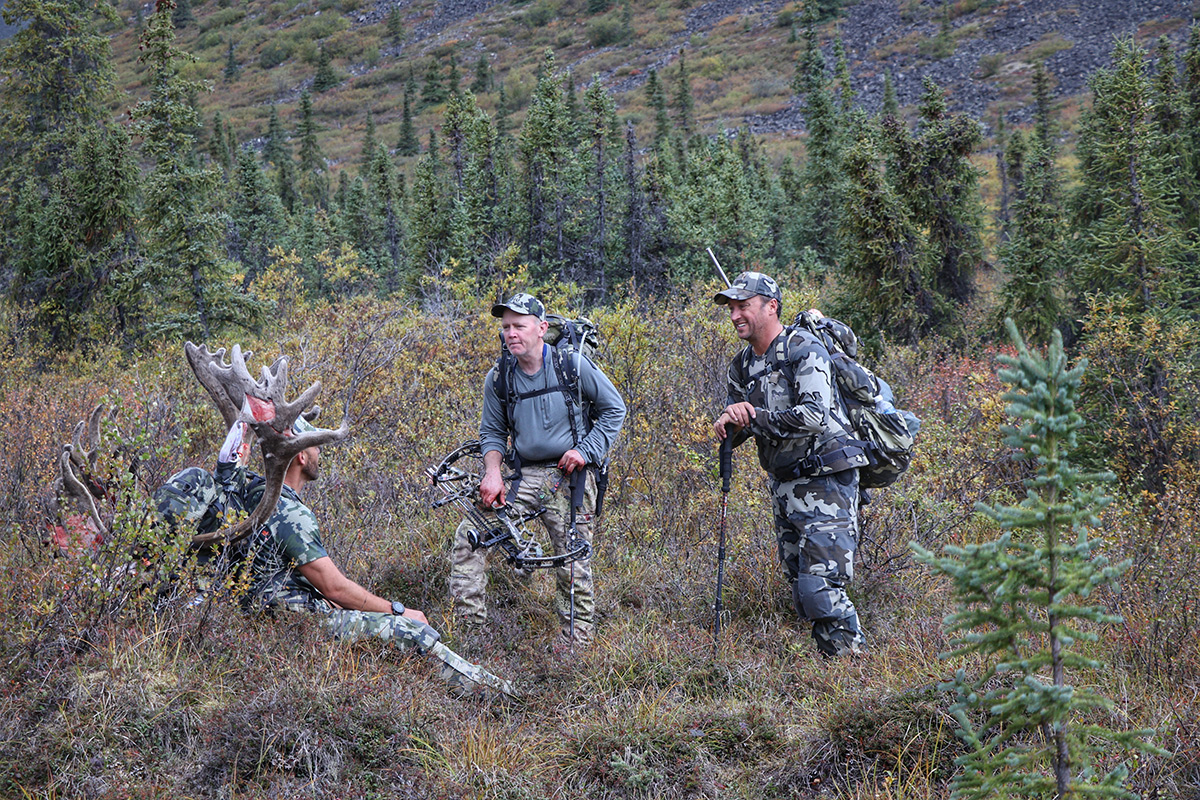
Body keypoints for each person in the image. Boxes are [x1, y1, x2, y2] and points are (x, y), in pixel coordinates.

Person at [157, 417, 515, 698]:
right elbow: (334, 588)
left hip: (253, 622)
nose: (318, 454)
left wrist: (232, 461)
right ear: (300, 455)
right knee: (409, 632)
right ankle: (497, 694)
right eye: (314, 447)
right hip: (293, 624)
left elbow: (227, 482)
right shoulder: (289, 512)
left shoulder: (250, 489)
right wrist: (398, 610)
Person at [449, 293, 626, 646]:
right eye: (505, 327)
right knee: (470, 535)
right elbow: (492, 432)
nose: (510, 334)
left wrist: (585, 451)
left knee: (572, 558)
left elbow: (614, 410)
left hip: (570, 475)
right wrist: (493, 472)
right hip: (523, 476)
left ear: (541, 329)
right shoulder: (499, 377)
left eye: (519, 326)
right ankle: (472, 635)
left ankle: (576, 646)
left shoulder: (572, 365)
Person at [711, 272, 868, 658]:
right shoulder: (742, 365)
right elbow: (746, 421)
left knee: (821, 587)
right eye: (731, 308)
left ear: (771, 307)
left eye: (743, 306)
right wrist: (730, 424)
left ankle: (854, 671)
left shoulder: (804, 349)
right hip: (784, 485)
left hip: (826, 479)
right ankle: (833, 669)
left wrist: (757, 417)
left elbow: (814, 414)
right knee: (801, 588)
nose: (734, 315)